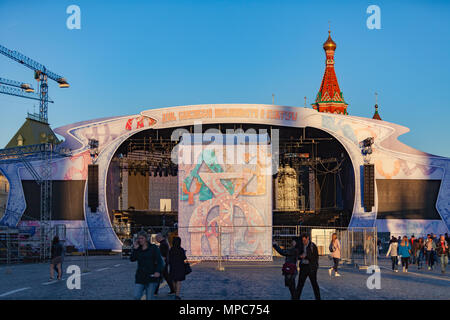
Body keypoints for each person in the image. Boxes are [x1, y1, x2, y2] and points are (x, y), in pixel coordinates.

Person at [130, 231, 164, 300]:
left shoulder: (153, 248)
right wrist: (135, 249)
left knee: (149, 298)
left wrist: (157, 271)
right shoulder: (138, 249)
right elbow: (132, 259)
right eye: (139, 238)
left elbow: (160, 261)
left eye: (142, 238)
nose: (140, 240)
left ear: (146, 239)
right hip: (140, 277)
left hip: (151, 277)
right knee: (136, 296)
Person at [295, 234, 321, 300]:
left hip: (311, 268)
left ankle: (318, 298)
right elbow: (297, 254)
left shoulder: (313, 246)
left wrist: (306, 256)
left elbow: (315, 258)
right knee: (300, 285)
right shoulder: (301, 245)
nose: (304, 242)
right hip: (303, 267)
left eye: (304, 240)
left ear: (308, 238)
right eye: (302, 240)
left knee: (314, 284)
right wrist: (299, 256)